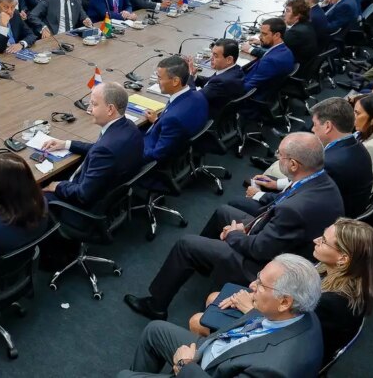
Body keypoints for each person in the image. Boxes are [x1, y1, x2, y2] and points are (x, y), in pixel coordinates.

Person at [123, 133, 343, 320]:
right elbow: (280, 207)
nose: (277, 157)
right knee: (223, 212)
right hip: (278, 239)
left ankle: (156, 305)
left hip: (267, 265)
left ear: (294, 164)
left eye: (280, 155)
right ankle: (204, 263)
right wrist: (246, 227)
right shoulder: (321, 181)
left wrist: (234, 235)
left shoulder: (294, 210)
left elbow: (260, 250)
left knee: (186, 244)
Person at [187, 220, 373, 363]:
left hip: (286, 348)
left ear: (343, 259)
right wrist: (256, 293)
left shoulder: (332, 303)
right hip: (287, 322)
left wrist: (249, 307)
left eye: (323, 241)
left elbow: (289, 329)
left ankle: (209, 361)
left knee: (197, 321)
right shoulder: (342, 276)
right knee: (214, 298)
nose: (316, 240)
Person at [121, 254, 324, 378]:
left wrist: (184, 366)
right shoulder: (301, 314)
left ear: (285, 302)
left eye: (261, 285)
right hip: (217, 351)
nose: (252, 286)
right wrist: (251, 307)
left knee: (124, 376)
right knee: (155, 330)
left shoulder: (273, 369)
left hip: (208, 370)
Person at [245, 98, 373, 218]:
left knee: (235, 204)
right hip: (339, 211)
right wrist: (276, 184)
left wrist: (259, 195)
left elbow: (294, 199)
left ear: (328, 126)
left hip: (321, 220)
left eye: (315, 124)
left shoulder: (328, 163)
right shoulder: (357, 147)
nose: (312, 129)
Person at [41, 82, 145, 206]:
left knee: (34, 195)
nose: (89, 109)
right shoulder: (129, 127)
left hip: (86, 204)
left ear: (110, 109)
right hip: (109, 191)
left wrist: (57, 186)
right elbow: (98, 149)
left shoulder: (105, 150)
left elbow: (82, 195)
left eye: (94, 104)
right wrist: (66, 144)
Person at [142, 56, 209, 162]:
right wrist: (157, 121)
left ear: (175, 81)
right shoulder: (199, 96)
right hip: (175, 143)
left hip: (150, 151)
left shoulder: (173, 119)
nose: (157, 81)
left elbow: (157, 154)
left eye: (160, 78)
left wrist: (131, 155)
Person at [187, 38, 245, 117]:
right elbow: (209, 82)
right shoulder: (235, 70)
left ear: (229, 59)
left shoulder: (222, 81)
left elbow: (194, 99)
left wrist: (190, 76)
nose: (211, 59)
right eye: (212, 54)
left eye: (215, 56)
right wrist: (194, 77)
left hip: (206, 116)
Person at [241, 18, 295, 102]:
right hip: (270, 93)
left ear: (277, 35)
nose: (260, 37)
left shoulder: (270, 61)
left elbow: (247, 87)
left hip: (252, 100)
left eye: (264, 34)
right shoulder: (286, 51)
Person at [282, 0, 319, 70]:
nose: (284, 14)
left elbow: (273, 50)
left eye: (288, 11)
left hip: (293, 68)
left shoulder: (295, 33)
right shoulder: (306, 24)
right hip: (303, 65)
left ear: (297, 16)